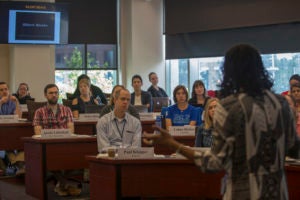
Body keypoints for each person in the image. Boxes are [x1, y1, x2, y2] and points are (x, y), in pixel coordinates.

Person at [143, 44, 297, 200]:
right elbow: (293, 147)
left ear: (230, 71)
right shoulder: (281, 103)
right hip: (278, 193)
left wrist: (173, 144)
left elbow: (214, 163)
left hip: (242, 193)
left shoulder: (229, 107)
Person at [33, 84, 80, 196]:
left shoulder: (67, 110)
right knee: (50, 158)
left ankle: (61, 185)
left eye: (56, 92)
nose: (54, 95)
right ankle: (65, 184)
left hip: (65, 145)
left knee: (79, 155)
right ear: (45, 95)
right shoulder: (39, 112)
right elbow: (38, 133)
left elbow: (71, 130)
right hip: (47, 147)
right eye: (51, 93)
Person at [97, 88, 141, 153]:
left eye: (128, 100)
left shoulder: (135, 122)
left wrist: (123, 153)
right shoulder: (103, 121)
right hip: (110, 159)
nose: (125, 102)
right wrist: (121, 152)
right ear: (115, 100)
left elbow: (136, 148)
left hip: (129, 160)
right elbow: (103, 148)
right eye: (123, 99)